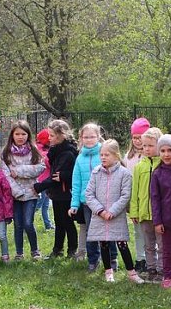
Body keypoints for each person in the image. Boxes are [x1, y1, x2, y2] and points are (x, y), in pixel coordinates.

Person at [84, 139, 145, 284]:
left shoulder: (125, 174)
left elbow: (125, 195)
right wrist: (100, 211)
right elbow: (89, 194)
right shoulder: (96, 172)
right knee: (103, 243)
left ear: (116, 156)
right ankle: (108, 271)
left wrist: (112, 211)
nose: (103, 157)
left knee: (122, 243)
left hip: (115, 216)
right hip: (100, 216)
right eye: (102, 154)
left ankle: (131, 273)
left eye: (107, 155)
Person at [34, 120, 78, 258]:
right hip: (57, 193)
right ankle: (57, 249)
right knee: (59, 222)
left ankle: (72, 250)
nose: (49, 138)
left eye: (52, 135)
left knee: (67, 222)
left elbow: (56, 176)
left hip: (65, 193)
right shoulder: (56, 150)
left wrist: (38, 186)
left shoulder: (67, 153)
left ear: (61, 136)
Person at [3, 121, 45, 260]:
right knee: (18, 224)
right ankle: (19, 253)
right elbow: (6, 175)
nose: (20, 137)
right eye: (17, 134)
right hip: (15, 195)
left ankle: (35, 251)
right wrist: (16, 191)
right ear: (12, 135)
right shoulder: (6, 153)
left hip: (31, 193)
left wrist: (19, 170)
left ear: (28, 135)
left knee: (28, 222)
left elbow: (40, 168)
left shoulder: (34, 151)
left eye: (23, 134)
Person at [129, 127, 163, 281]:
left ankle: (163, 271)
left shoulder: (163, 164)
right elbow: (135, 190)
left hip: (160, 214)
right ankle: (151, 270)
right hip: (144, 213)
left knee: (162, 245)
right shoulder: (139, 166)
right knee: (148, 244)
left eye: (150, 145)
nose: (147, 149)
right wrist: (134, 211)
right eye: (144, 146)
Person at [69, 122, 103, 270]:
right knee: (90, 230)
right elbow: (76, 183)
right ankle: (93, 260)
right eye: (86, 137)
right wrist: (74, 204)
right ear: (81, 138)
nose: (89, 140)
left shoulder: (104, 153)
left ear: (98, 137)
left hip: (104, 200)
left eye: (92, 137)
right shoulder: (79, 158)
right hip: (87, 202)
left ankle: (110, 258)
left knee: (106, 231)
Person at [150, 134, 171, 288]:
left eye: (170, 150)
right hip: (165, 217)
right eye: (163, 151)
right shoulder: (157, 173)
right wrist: (157, 221)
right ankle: (168, 275)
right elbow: (154, 198)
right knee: (167, 249)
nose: (167, 154)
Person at [125, 117, 151, 268]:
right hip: (134, 200)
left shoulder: (151, 157)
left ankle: (150, 259)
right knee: (138, 231)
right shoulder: (129, 156)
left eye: (140, 138)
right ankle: (140, 258)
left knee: (149, 233)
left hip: (147, 200)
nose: (137, 141)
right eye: (134, 138)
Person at [34, 128, 53, 231]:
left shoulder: (38, 149)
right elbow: (50, 164)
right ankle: (27, 223)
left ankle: (48, 224)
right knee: (38, 205)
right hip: (43, 182)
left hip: (46, 182)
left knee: (45, 205)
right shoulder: (44, 152)